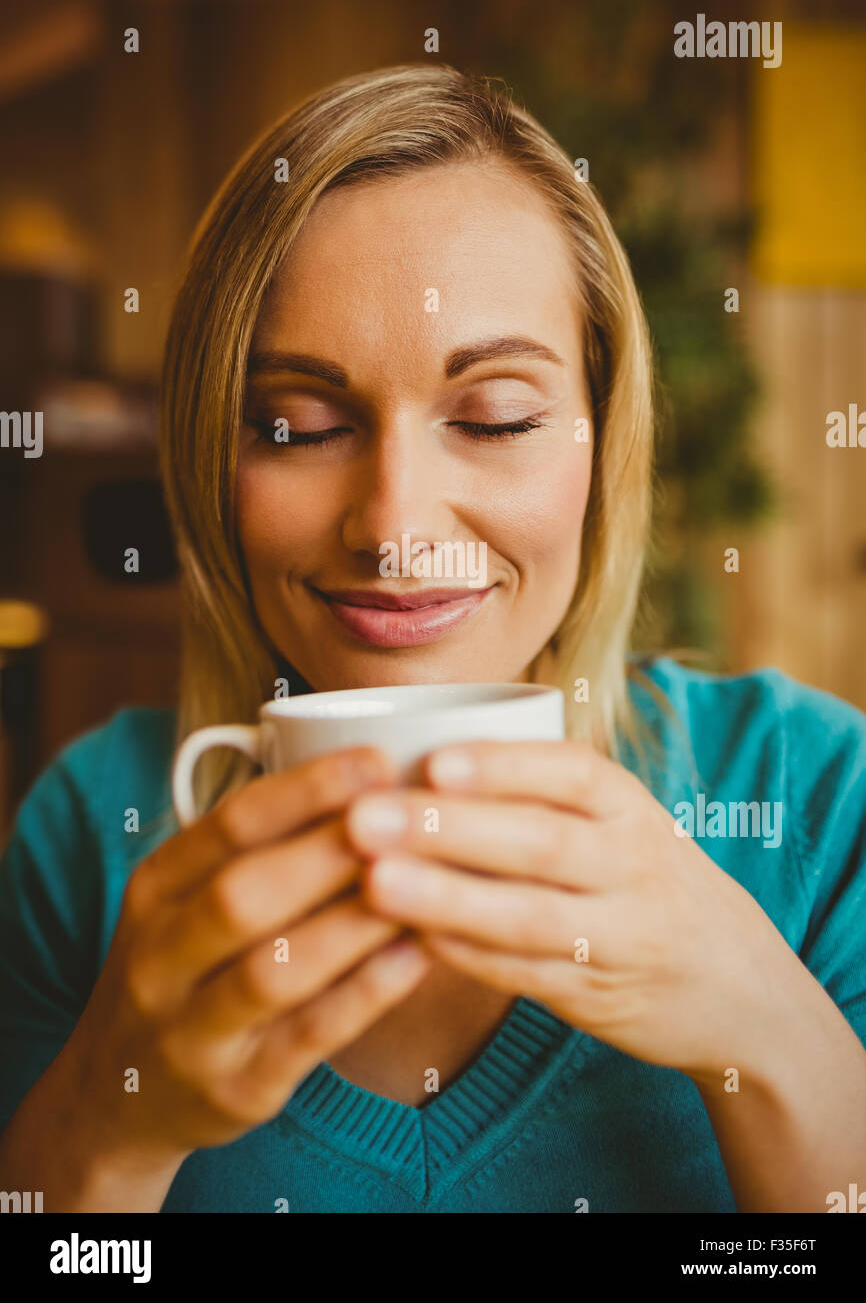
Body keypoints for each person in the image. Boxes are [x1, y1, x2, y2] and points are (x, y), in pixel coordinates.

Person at [0, 64, 864, 1215]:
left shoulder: (812, 799)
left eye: (495, 417)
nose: (395, 528)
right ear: (214, 458)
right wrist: (106, 1133)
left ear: (600, 446)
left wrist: (762, 1026)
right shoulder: (83, 836)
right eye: (298, 426)